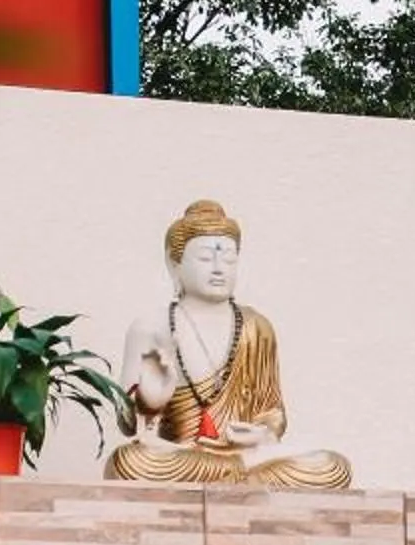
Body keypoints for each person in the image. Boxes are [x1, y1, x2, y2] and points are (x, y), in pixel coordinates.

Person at [108, 199, 352, 490]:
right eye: (204, 258)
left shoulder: (256, 326)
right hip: (182, 452)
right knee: (129, 462)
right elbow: (127, 424)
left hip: (247, 454)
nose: (218, 268)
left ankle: (235, 474)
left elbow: (272, 409)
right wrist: (149, 399)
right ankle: (240, 479)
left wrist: (262, 433)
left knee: (332, 466)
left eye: (229, 259)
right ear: (174, 264)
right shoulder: (152, 327)